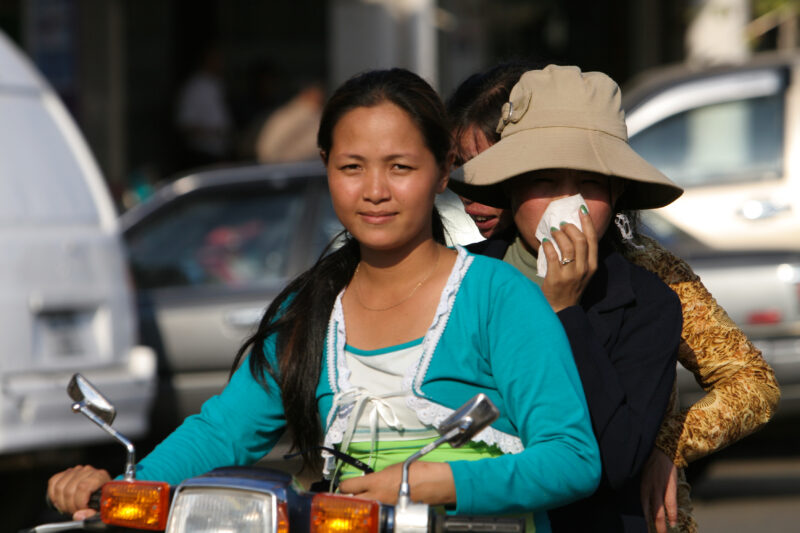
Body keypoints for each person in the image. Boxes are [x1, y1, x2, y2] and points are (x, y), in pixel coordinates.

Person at [48, 68, 601, 531]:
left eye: (400, 167)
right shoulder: (309, 311)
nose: (375, 190)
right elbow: (223, 432)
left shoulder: (497, 297)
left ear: (441, 173)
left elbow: (571, 459)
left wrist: (424, 483)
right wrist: (125, 485)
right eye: (352, 167)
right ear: (326, 169)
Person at [448, 64, 781, 533]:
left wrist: (662, 444)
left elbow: (752, 383)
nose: (473, 196)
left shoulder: (649, 285)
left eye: (586, 181)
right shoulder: (457, 277)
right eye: (460, 165)